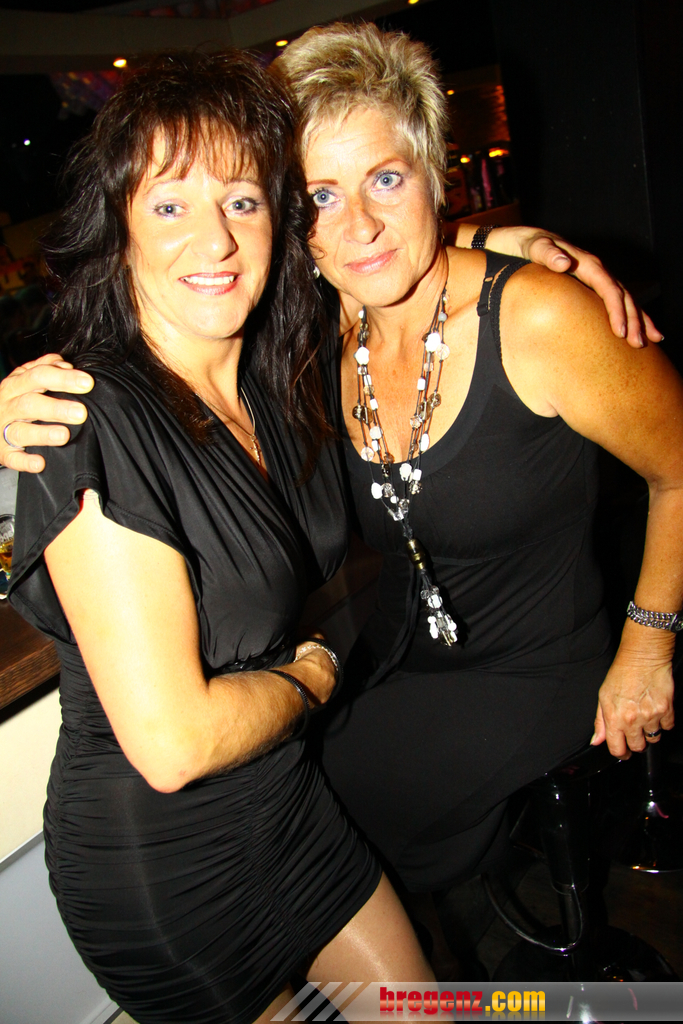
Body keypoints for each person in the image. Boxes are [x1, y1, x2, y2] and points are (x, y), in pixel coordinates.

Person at [6, 51, 433, 1024]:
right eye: (170, 205)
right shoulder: (91, 420)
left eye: (241, 201)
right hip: (166, 872)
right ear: (118, 229)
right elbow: (170, 744)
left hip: (290, 806)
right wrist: (310, 678)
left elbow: (405, 273)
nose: (216, 239)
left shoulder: (278, 378)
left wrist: (531, 251)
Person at [268, 21, 683, 906]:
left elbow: (680, 469)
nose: (359, 224)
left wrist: (647, 649)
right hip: (394, 657)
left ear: (433, 174)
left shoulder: (538, 319)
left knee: (307, 837)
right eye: (320, 196)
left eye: (385, 179)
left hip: (535, 670)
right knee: (274, 790)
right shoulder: (322, 334)